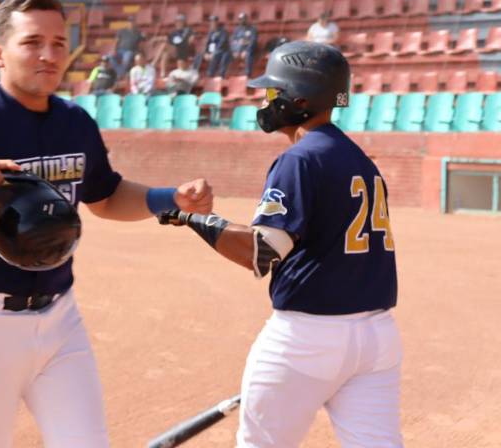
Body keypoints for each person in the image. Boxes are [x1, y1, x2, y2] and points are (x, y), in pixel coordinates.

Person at [0, 0, 214, 448]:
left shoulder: (75, 121)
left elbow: (105, 196)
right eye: (32, 42)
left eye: (60, 43)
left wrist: (171, 198)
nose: (49, 55)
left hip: (59, 316)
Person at [159, 41, 401, 448]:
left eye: (274, 92)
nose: (267, 100)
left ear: (299, 99)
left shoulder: (300, 159)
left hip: (307, 339)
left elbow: (261, 253)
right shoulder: (361, 160)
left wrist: (193, 218)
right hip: (378, 340)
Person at [161, 13, 195, 77]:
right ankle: (163, 72)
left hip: (183, 50)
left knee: (165, 46)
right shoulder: (173, 33)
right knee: (165, 53)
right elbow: (168, 41)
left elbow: (192, 39)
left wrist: (189, 42)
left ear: (184, 23)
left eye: (180, 22)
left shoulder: (188, 30)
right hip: (175, 51)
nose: (178, 23)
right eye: (177, 22)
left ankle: (154, 63)